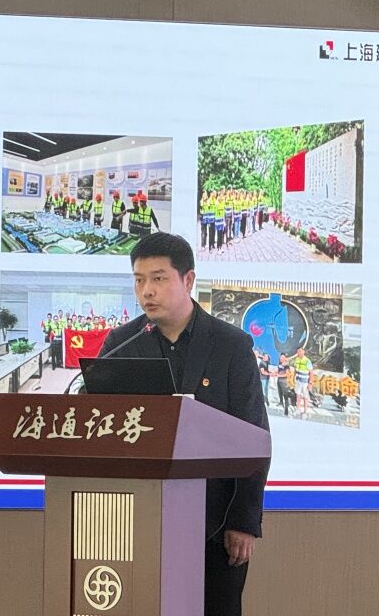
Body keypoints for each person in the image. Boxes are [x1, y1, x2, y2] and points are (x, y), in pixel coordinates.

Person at [96, 233, 269, 616]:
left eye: (158, 278)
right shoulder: (123, 343)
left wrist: (243, 521)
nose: (147, 291)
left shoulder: (231, 345)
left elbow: (256, 436)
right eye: (139, 280)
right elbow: (96, 418)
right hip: (138, 521)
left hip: (215, 523)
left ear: (188, 280)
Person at [291, 347, 313, 416]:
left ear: (303, 351)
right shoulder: (296, 360)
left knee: (305, 397)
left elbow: (311, 372)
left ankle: (305, 411)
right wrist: (293, 378)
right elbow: (295, 369)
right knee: (298, 395)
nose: (299, 353)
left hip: (305, 382)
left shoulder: (307, 361)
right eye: (298, 351)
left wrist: (310, 383)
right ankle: (298, 409)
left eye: (300, 351)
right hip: (298, 381)